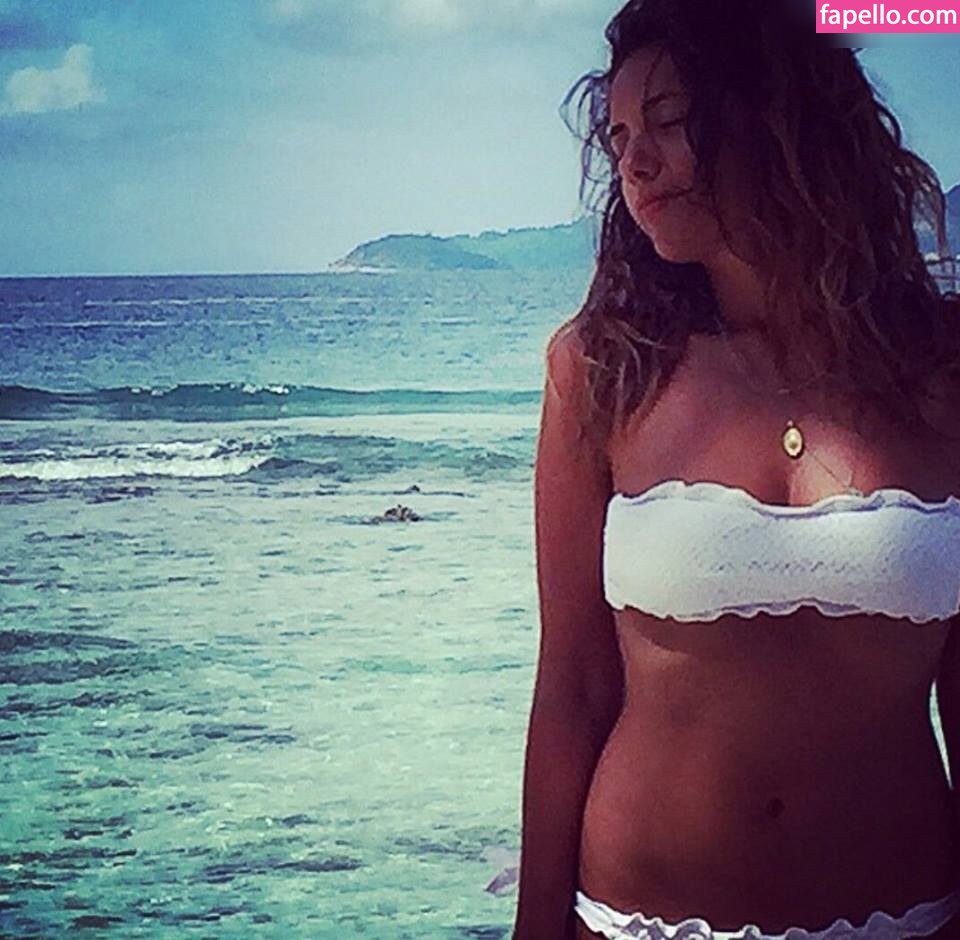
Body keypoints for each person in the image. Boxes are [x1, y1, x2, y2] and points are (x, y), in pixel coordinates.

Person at [507, 0, 960, 937]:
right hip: (634, 921)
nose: (634, 162)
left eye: (670, 121)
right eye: (619, 137)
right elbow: (573, 687)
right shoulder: (603, 369)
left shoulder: (943, 373)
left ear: (777, 116)